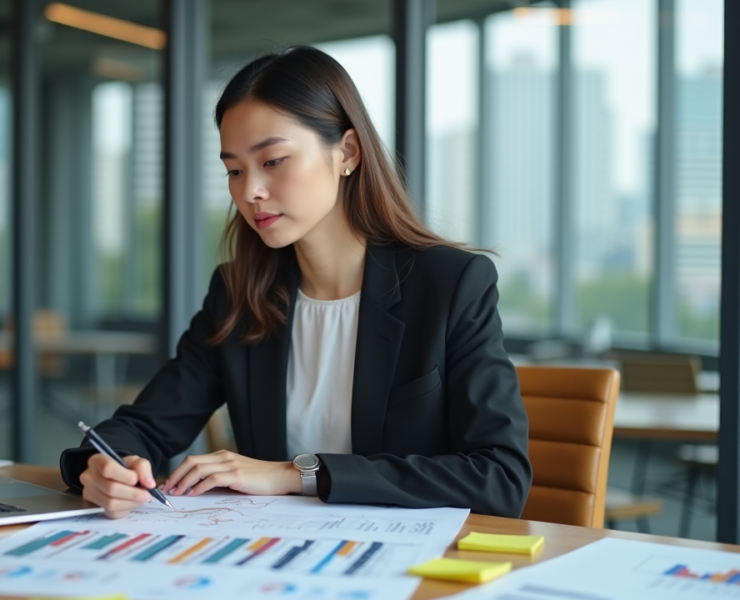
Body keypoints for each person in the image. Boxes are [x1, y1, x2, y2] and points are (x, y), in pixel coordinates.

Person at [61, 46, 531, 520]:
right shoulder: (239, 294)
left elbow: (499, 477)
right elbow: (144, 427)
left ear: (346, 152)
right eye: (235, 170)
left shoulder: (449, 285)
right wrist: (105, 466)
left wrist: (294, 473)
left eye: (274, 161)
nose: (249, 192)